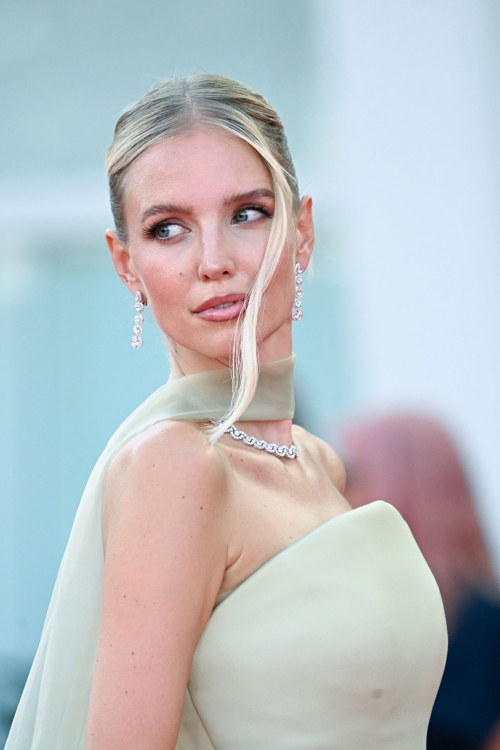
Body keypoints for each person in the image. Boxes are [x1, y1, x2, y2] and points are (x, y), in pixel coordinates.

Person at [5, 74, 448, 750]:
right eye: (168, 228)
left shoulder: (318, 462)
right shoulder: (175, 468)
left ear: (301, 232)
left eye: (247, 213)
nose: (213, 261)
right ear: (127, 264)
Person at [341, 412, 500, 750]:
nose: (337, 490)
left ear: (404, 487)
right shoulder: (351, 613)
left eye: (351, 473)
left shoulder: (486, 626)